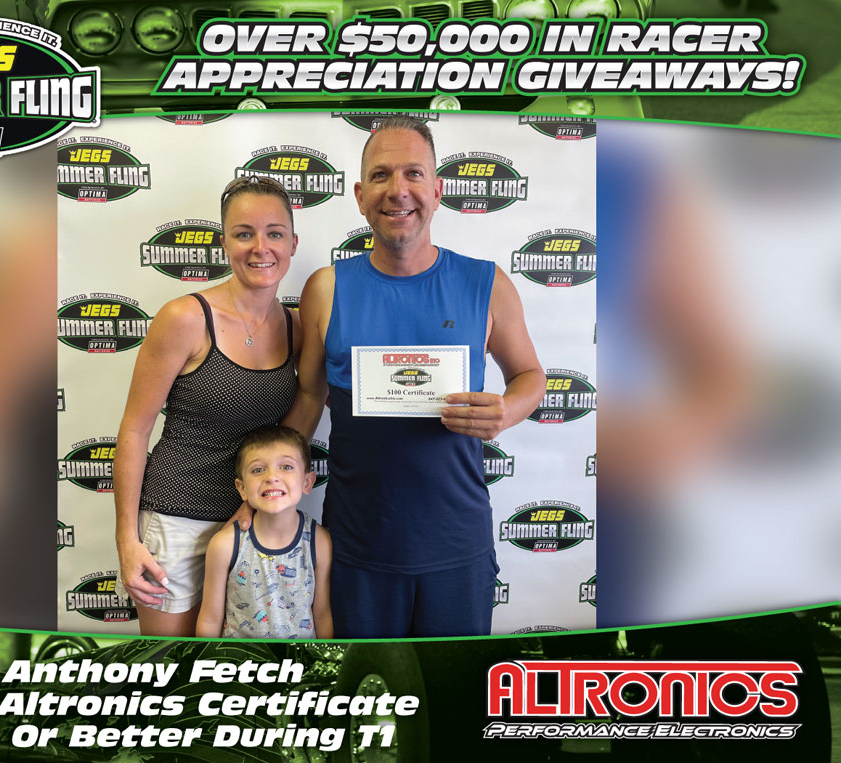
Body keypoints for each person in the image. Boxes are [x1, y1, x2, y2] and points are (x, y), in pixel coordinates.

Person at [281, 116, 546, 638]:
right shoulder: (326, 288)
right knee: (363, 684)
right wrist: (269, 477)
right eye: (380, 175)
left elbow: (530, 375)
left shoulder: (486, 283)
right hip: (357, 547)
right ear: (360, 196)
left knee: (452, 682)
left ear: (437, 190)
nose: (397, 190)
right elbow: (310, 396)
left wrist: (507, 410)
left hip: (457, 547)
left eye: (413, 174)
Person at [114, 176, 301, 637]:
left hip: (253, 522)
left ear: (293, 244)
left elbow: (300, 417)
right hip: (176, 519)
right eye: (244, 233)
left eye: (275, 233)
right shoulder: (185, 318)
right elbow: (134, 431)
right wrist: (127, 540)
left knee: (236, 665)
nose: (260, 247)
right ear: (224, 244)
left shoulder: (295, 327)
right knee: (170, 664)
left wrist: (262, 501)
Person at [196, 425, 333, 638]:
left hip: (300, 658)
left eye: (286, 467)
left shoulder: (319, 541)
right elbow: (210, 619)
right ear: (242, 488)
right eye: (258, 470)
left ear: (307, 482)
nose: (271, 477)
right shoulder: (224, 545)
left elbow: (322, 615)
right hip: (237, 658)